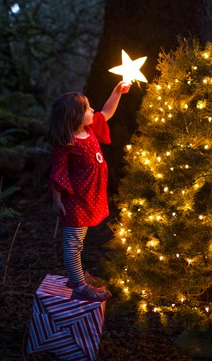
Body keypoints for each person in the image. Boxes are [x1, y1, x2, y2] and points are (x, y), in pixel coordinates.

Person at [47, 81, 130, 301]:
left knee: (79, 242)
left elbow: (107, 112)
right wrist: (57, 201)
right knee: (73, 244)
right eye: (87, 109)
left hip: (90, 197)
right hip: (76, 201)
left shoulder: (89, 128)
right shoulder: (67, 143)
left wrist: (116, 91)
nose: (92, 110)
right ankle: (79, 286)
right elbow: (57, 174)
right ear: (74, 116)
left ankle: (77, 276)